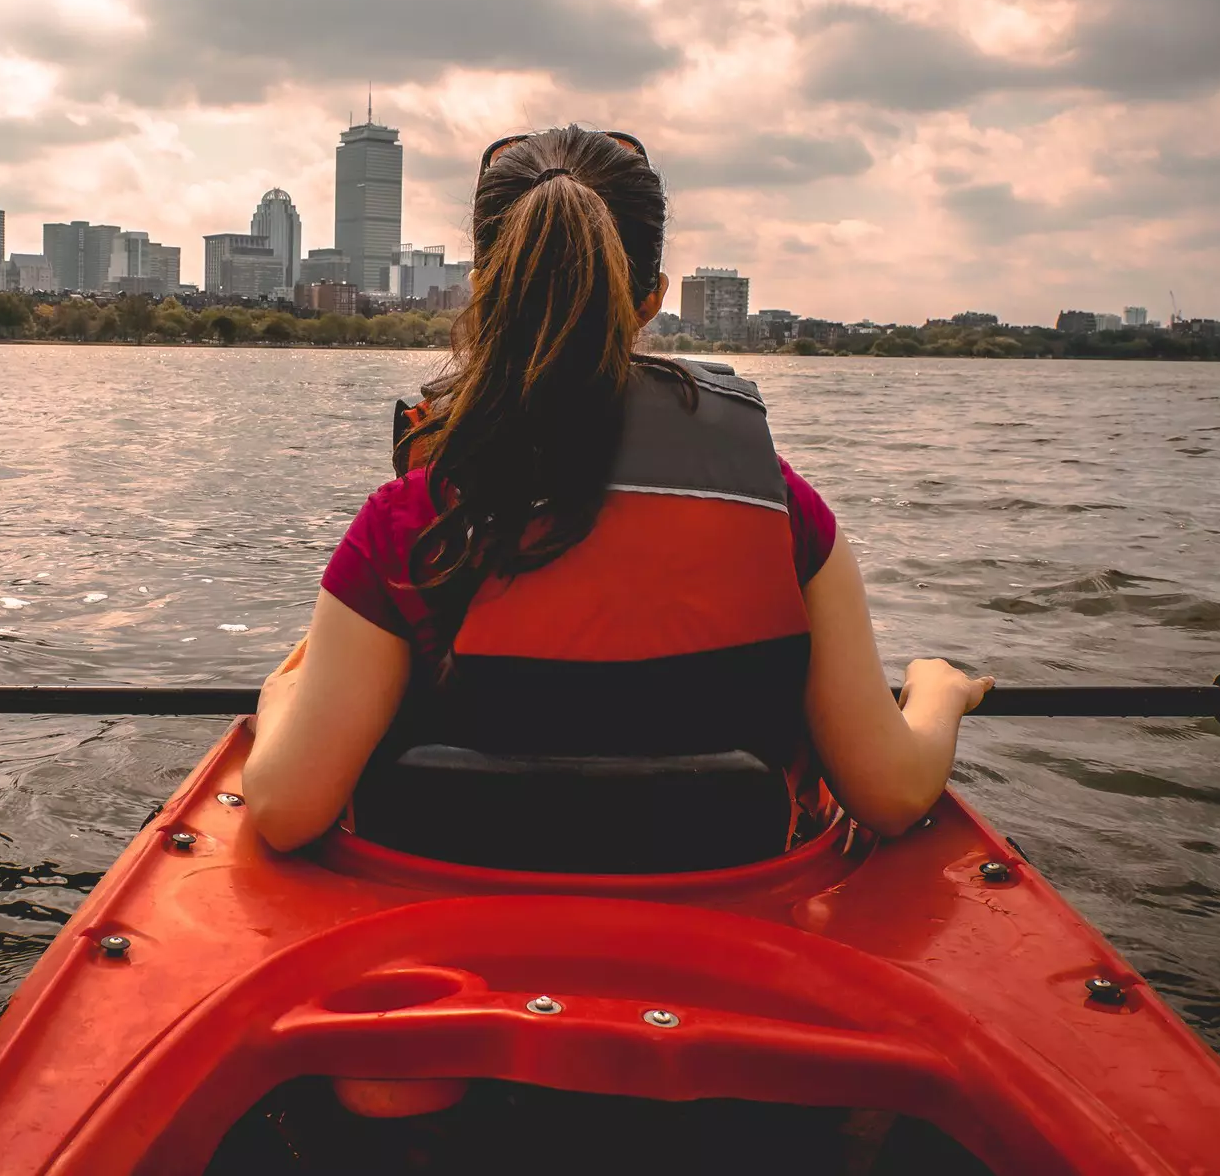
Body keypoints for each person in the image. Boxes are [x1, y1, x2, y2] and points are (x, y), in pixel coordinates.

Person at [244, 126, 991, 854]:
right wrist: (936, 690)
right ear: (653, 297)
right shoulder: (779, 506)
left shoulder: (406, 520)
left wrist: (280, 702)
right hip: (725, 925)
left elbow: (284, 809)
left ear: (481, 290)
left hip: (457, 944)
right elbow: (889, 793)